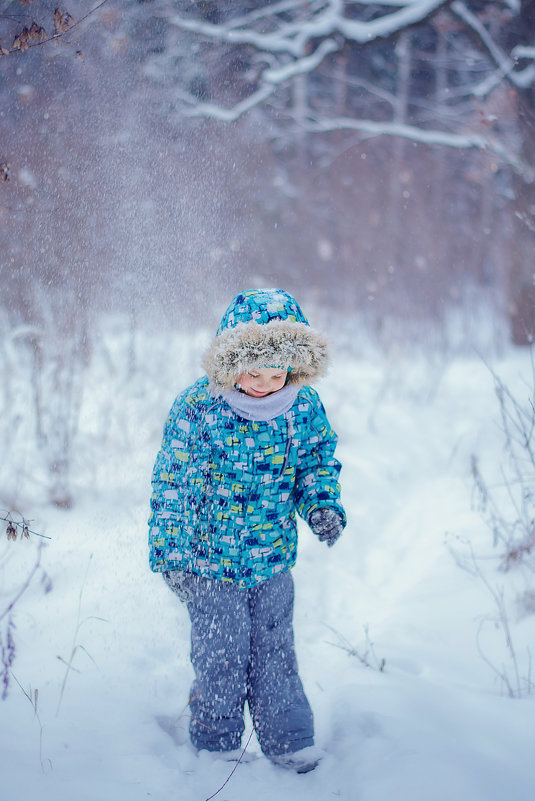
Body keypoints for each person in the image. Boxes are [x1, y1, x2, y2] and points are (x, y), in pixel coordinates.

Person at [148, 288, 346, 774]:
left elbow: (315, 466)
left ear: (295, 368)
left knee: (275, 651)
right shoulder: (200, 408)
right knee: (221, 653)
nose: (263, 383)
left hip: (272, 559)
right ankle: (216, 743)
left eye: (276, 372)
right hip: (208, 561)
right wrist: (171, 551)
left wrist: (321, 504)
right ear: (229, 363)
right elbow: (173, 479)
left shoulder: (303, 408)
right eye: (252, 371)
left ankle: (289, 741)